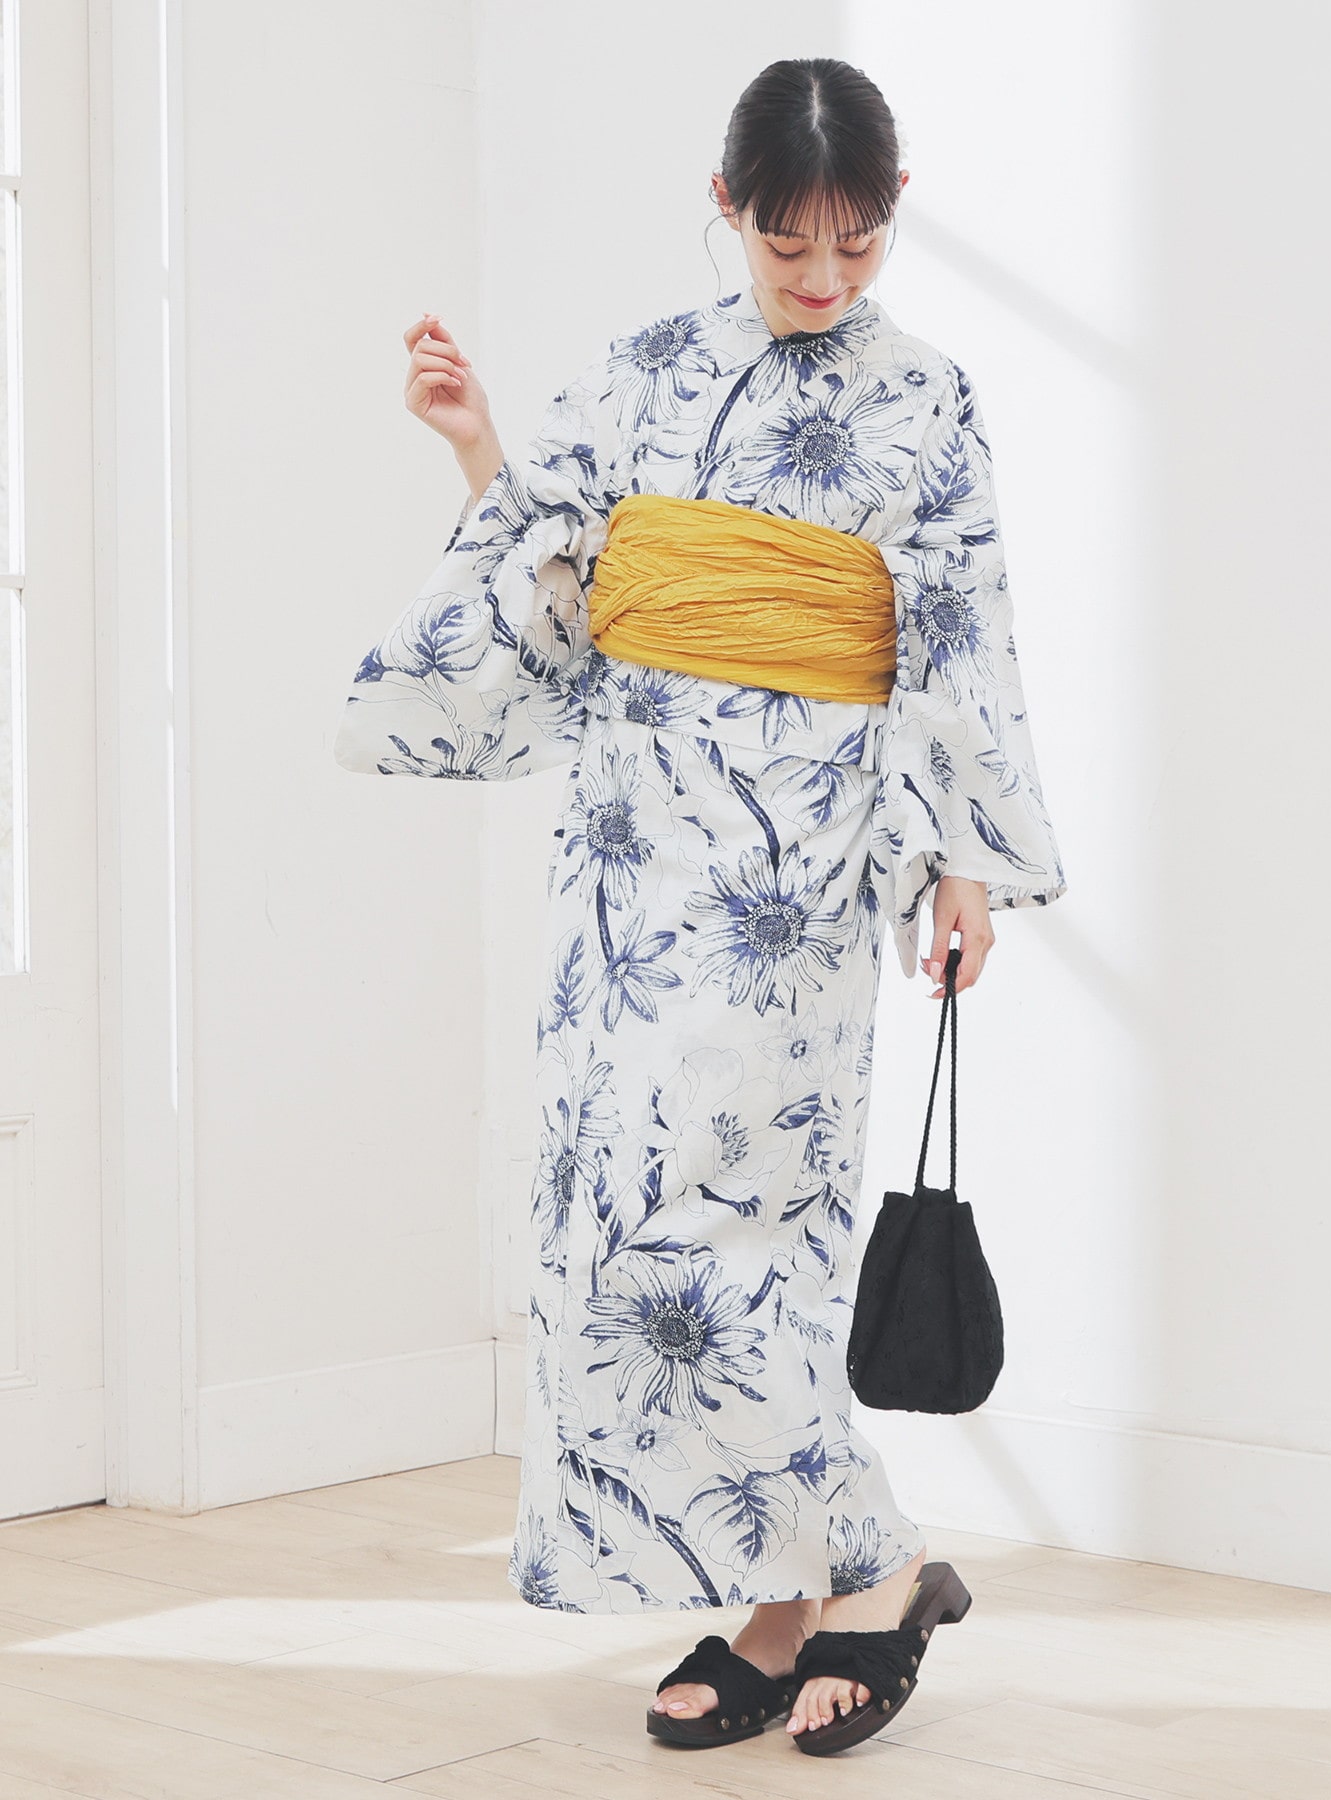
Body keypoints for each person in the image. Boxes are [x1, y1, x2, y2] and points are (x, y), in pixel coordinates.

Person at [332, 55, 1066, 1756]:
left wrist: (964, 860)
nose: (822, 279)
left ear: (893, 216)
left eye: (857, 247)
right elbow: (562, 581)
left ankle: (868, 1571)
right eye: (787, 245)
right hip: (627, 853)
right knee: (613, 1229)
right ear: (724, 206)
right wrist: (476, 442)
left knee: (749, 1232)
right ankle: (786, 1601)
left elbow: (959, 634)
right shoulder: (645, 372)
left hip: (797, 874)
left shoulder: (926, 399)